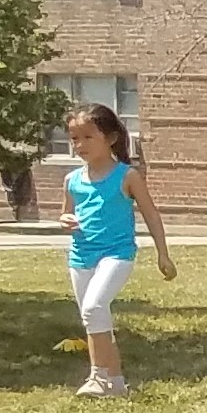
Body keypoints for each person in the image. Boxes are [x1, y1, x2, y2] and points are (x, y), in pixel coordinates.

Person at [59, 101, 173, 396]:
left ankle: (98, 377)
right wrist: (66, 220)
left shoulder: (127, 176)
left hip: (116, 254)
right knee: (95, 318)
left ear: (110, 138)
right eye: (74, 138)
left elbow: (151, 215)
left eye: (88, 137)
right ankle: (116, 383)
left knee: (94, 307)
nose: (80, 145)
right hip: (80, 256)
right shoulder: (72, 180)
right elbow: (66, 213)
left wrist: (163, 254)